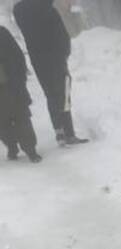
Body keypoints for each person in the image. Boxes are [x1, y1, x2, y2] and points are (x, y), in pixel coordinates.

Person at [12, 0, 87, 145]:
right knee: (64, 93)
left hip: (38, 60)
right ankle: (69, 133)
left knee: (50, 94)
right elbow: (62, 35)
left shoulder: (20, 12)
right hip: (56, 58)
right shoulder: (49, 12)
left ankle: (59, 132)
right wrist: (65, 52)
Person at [0, 25, 40, 162]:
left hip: (11, 85)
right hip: (10, 86)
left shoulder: (2, 33)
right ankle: (12, 147)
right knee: (2, 123)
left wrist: (20, 77)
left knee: (22, 117)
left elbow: (16, 55)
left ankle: (31, 150)